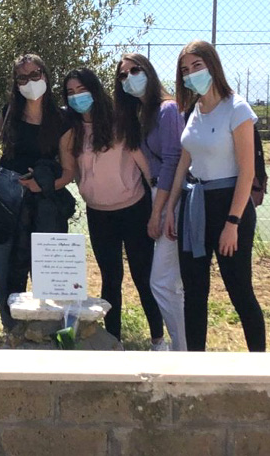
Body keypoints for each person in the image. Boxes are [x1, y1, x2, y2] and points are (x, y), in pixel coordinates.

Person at [164, 40, 266, 352]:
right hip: (194, 207)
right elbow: (184, 163)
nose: (191, 74)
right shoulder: (192, 111)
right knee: (194, 292)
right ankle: (195, 365)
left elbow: (247, 173)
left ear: (212, 66)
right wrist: (170, 209)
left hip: (229, 206)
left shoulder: (237, 109)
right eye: (185, 70)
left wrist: (232, 223)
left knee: (240, 291)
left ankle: (260, 364)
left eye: (197, 66)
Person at [64, 67, 165, 349]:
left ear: (94, 90)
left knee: (143, 277)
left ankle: (158, 339)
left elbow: (146, 167)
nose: (76, 97)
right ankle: (113, 341)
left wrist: (157, 208)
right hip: (98, 214)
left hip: (134, 209)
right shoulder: (71, 130)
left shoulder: (121, 123)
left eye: (81, 90)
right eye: (70, 93)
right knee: (110, 280)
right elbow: (72, 171)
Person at [0, 54, 75, 330]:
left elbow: (69, 172)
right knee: (3, 270)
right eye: (22, 78)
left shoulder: (62, 119)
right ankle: (12, 329)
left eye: (35, 74)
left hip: (42, 203)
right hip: (5, 196)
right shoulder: (9, 112)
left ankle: (45, 330)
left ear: (45, 75)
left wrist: (42, 185)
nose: (30, 81)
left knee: (44, 270)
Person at [114, 53, 187, 352]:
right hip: (158, 195)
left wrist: (160, 211)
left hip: (171, 198)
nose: (129, 78)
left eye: (135, 70)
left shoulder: (168, 110)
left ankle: (182, 348)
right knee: (168, 282)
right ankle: (182, 346)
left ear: (149, 71)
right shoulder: (139, 115)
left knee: (161, 282)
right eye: (123, 75)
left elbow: (172, 161)